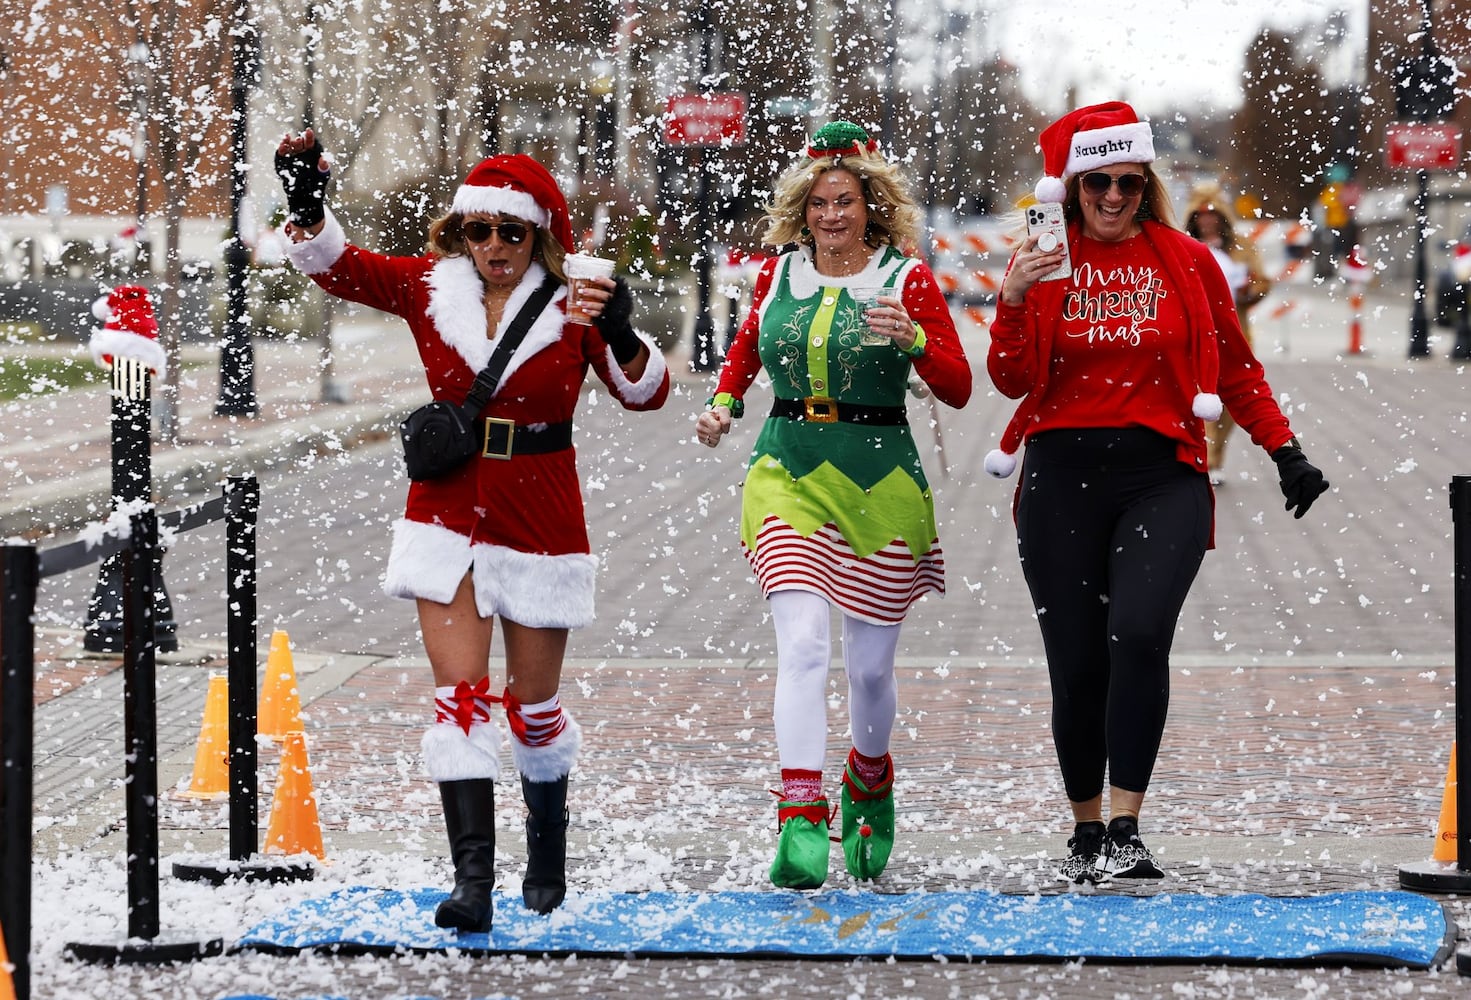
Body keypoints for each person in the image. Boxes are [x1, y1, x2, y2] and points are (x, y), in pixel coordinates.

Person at [274, 130, 670, 932]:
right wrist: (308, 205)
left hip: (540, 517)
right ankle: (473, 882)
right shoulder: (429, 289)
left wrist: (622, 327)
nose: (494, 246)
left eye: (511, 232)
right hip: (447, 513)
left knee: (532, 709)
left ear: (539, 236)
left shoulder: (576, 304)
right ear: (460, 234)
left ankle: (546, 861)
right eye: (479, 230)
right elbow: (342, 269)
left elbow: (645, 394)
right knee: (458, 701)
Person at [982, 102, 1329, 886]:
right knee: (1075, 666)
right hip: (1060, 478)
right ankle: (1084, 829)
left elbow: (1235, 367)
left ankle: (1128, 825)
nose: (1112, 197)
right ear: (1071, 187)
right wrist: (1009, 302)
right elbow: (1009, 380)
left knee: (1137, 636)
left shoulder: (1184, 260)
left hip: (1162, 475)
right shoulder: (1043, 259)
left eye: (1128, 184)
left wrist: (1284, 449)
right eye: (1098, 182)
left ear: (1146, 185)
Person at [694, 121, 972, 889]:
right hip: (786, 468)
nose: (830, 216)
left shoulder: (905, 277)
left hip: (880, 481)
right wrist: (722, 407)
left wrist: (913, 338)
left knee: (871, 674)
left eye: (844, 202)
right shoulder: (777, 275)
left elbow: (957, 385)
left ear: (870, 206)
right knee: (805, 648)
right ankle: (799, 814)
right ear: (800, 210)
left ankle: (871, 779)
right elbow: (746, 353)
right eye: (817, 203)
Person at [1183, 184, 1273, 485]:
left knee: (1233, 399)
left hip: (1235, 331)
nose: (1207, 220)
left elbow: (1262, 281)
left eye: (1213, 214)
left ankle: (1216, 455)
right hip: (1193, 333)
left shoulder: (1242, 247)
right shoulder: (1183, 245)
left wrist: (1247, 291)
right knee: (1197, 394)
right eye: (1202, 214)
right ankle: (1202, 457)